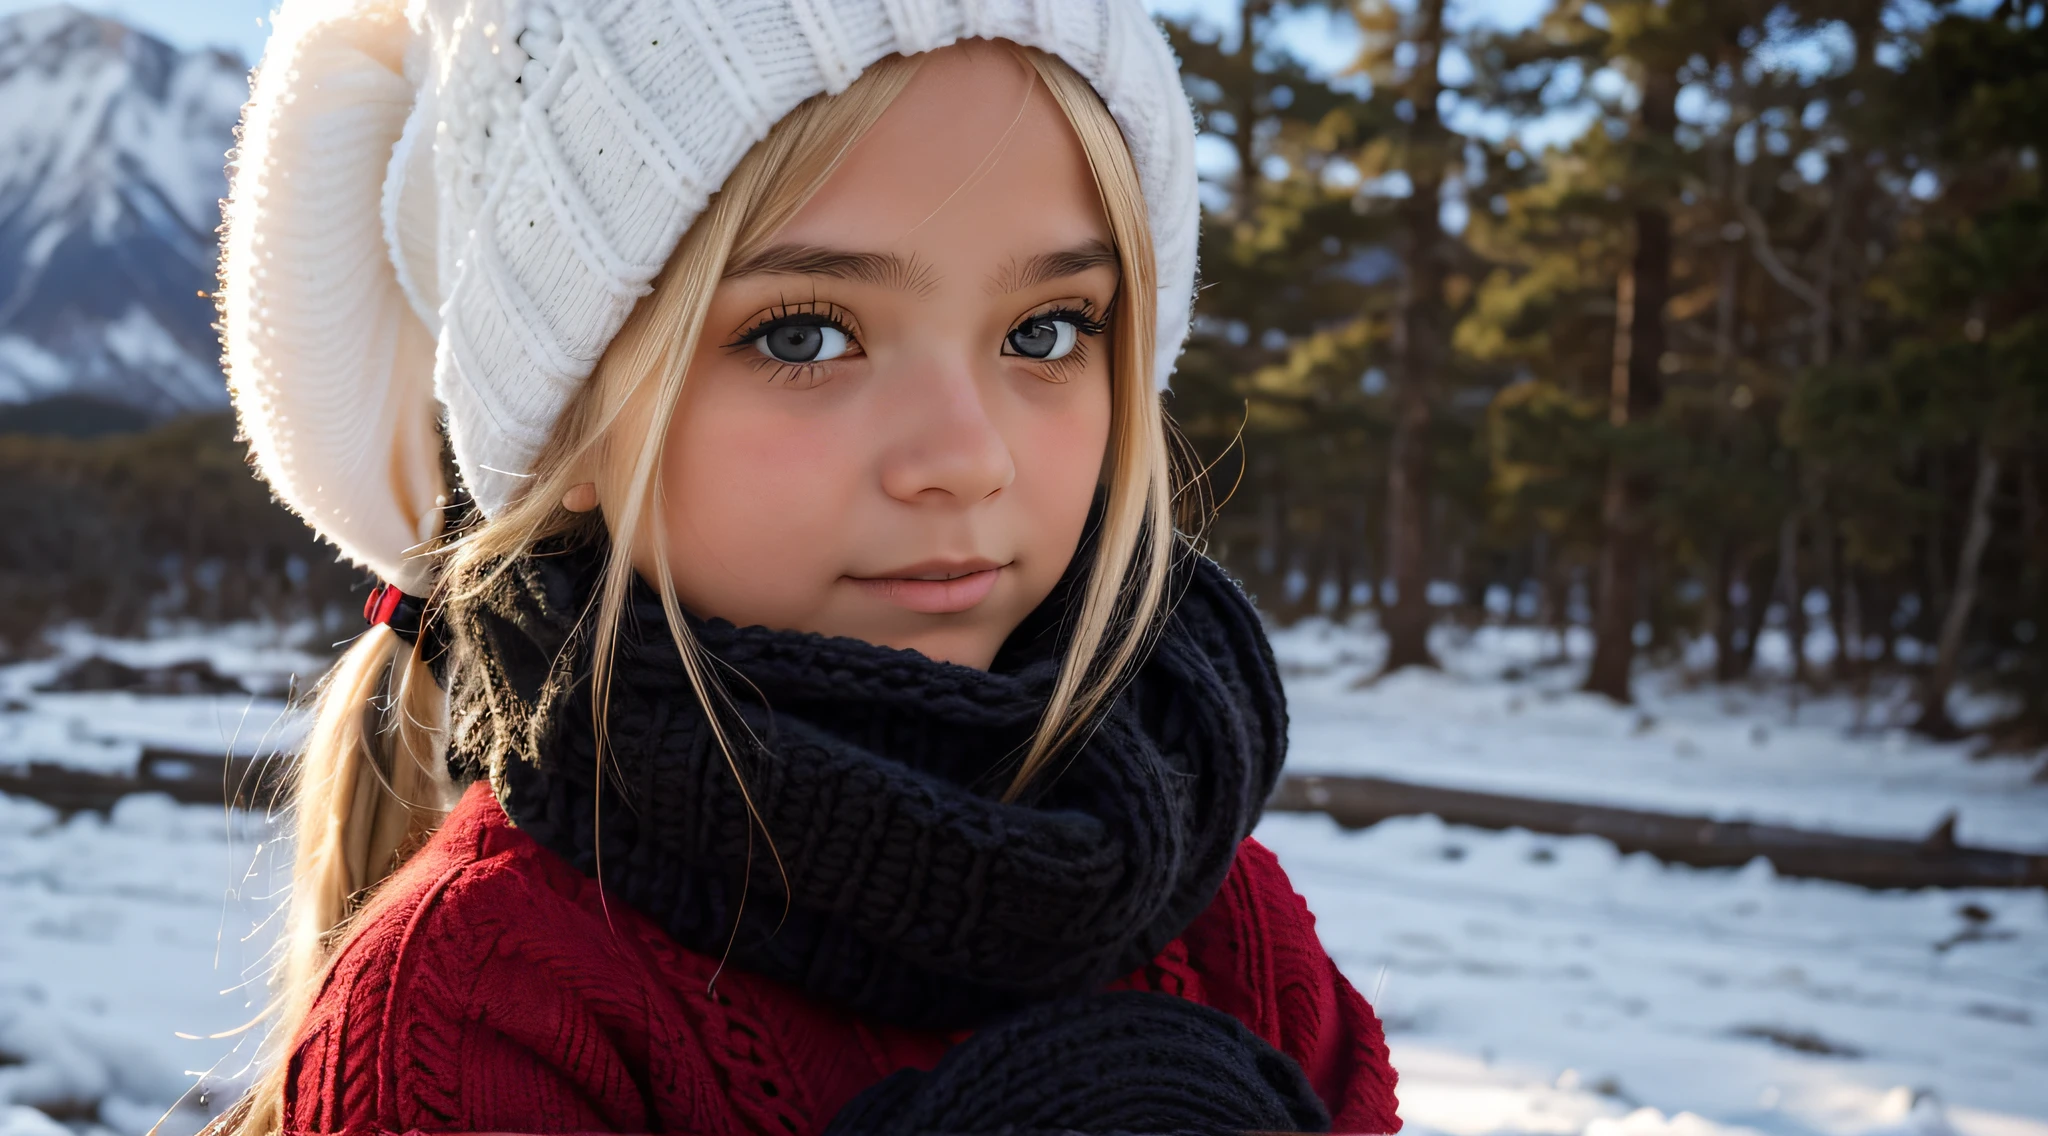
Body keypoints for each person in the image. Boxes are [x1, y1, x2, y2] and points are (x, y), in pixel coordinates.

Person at [213, 1, 1401, 1133]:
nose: (962, 458)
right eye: (803, 335)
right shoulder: (481, 1004)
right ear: (567, 422)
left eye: (1044, 330)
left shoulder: (1222, 916)